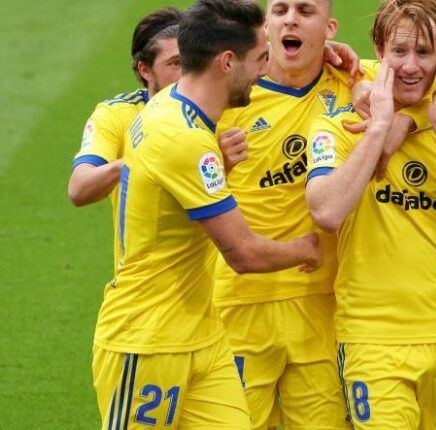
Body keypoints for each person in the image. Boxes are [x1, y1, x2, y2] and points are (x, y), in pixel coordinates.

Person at [214, 1, 436, 428]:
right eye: (280, 9)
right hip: (243, 299)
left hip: (323, 302)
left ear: (329, 27)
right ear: (266, 24)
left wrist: (408, 120)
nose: (290, 19)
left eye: (304, 11)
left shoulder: (356, 83)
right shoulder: (232, 94)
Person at [91, 1, 322, 428]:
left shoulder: (171, 108)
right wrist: (308, 247)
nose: (265, 71)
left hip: (204, 336)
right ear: (227, 62)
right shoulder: (183, 138)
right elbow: (244, 254)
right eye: (260, 58)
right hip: (148, 342)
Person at [305, 0, 436, 427]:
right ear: (379, 51)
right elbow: (326, 211)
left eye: (424, 52)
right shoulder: (340, 125)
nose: (411, 66)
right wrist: (379, 129)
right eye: (400, 52)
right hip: (372, 339)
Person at [68, 7, 182, 275]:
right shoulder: (118, 114)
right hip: (144, 284)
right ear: (145, 69)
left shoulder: (220, 108)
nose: (187, 73)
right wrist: (136, 159)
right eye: (175, 63)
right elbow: (79, 189)